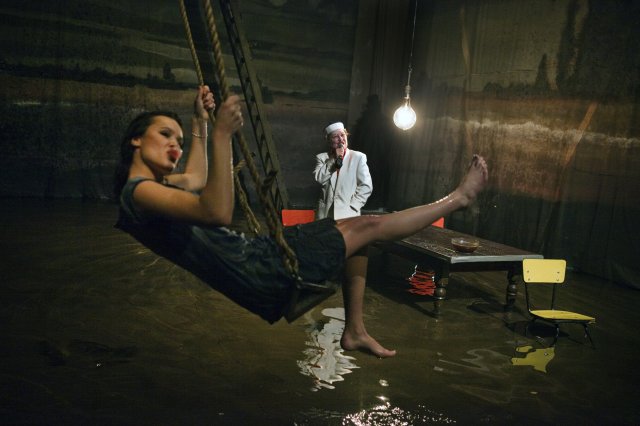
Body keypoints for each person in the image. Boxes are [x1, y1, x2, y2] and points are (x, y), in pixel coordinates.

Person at [114, 86, 489, 358]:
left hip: (259, 254)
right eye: (165, 135)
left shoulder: (152, 190)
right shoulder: (138, 193)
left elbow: (195, 178)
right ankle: (458, 198)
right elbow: (216, 212)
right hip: (259, 271)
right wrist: (224, 135)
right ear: (135, 140)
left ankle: (355, 331)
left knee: (359, 232)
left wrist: (200, 122)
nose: (175, 146)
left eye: (177, 139)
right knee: (369, 227)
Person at [313, 122, 373, 334]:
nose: (340, 140)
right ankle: (322, 285)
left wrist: (353, 205)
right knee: (323, 249)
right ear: (329, 141)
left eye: (343, 136)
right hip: (325, 216)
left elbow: (366, 186)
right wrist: (334, 161)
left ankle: (344, 289)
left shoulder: (358, 158)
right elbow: (319, 179)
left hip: (348, 215)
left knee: (346, 252)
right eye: (335, 137)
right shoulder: (323, 158)